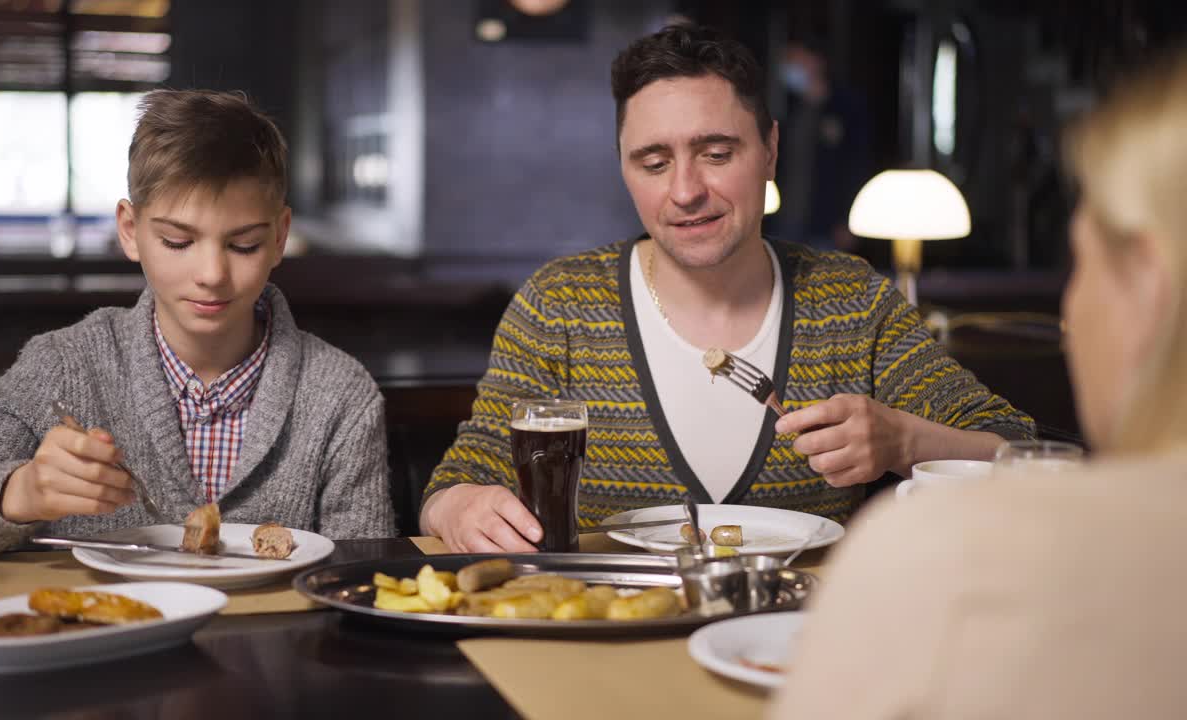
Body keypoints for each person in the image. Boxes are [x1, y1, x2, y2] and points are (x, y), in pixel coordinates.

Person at [420, 24, 1034, 553]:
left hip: (795, 651)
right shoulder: (560, 307)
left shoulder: (851, 301)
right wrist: (459, 507)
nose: (685, 190)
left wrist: (905, 440)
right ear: (623, 168)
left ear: (769, 148)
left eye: (715, 153)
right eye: (654, 163)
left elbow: (1022, 457)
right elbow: (459, 477)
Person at [774, 46, 1187, 718]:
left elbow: (1014, 442)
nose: (1071, 306)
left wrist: (904, 439)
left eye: (1080, 262)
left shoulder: (946, 557)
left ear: (1148, 284)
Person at [0, 90, 395, 558]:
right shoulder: (63, 365)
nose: (211, 275)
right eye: (177, 242)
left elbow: (363, 575)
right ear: (130, 231)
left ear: (279, 237)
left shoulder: (340, 393)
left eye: (243, 245)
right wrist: (16, 495)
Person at [767, 35, 873, 254]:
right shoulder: (790, 110)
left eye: (795, 60)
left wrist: (847, 220)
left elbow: (857, 167)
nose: (789, 67)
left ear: (816, 61)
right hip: (787, 218)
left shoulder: (846, 108)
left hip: (827, 223)